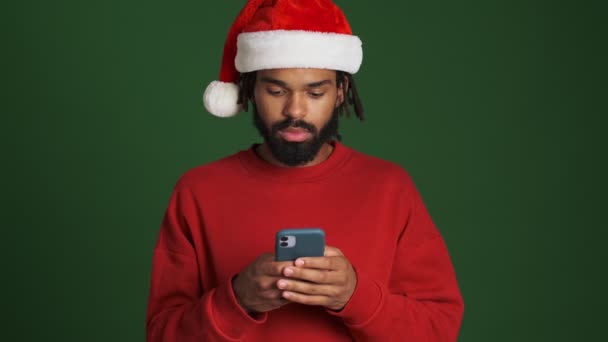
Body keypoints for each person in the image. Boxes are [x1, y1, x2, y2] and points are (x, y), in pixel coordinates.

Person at [146, 0, 464, 341]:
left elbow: (438, 329)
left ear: (340, 93)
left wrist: (354, 296)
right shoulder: (198, 190)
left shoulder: (390, 187)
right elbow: (163, 335)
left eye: (315, 91)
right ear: (250, 90)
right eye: (276, 90)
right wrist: (237, 299)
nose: (294, 110)